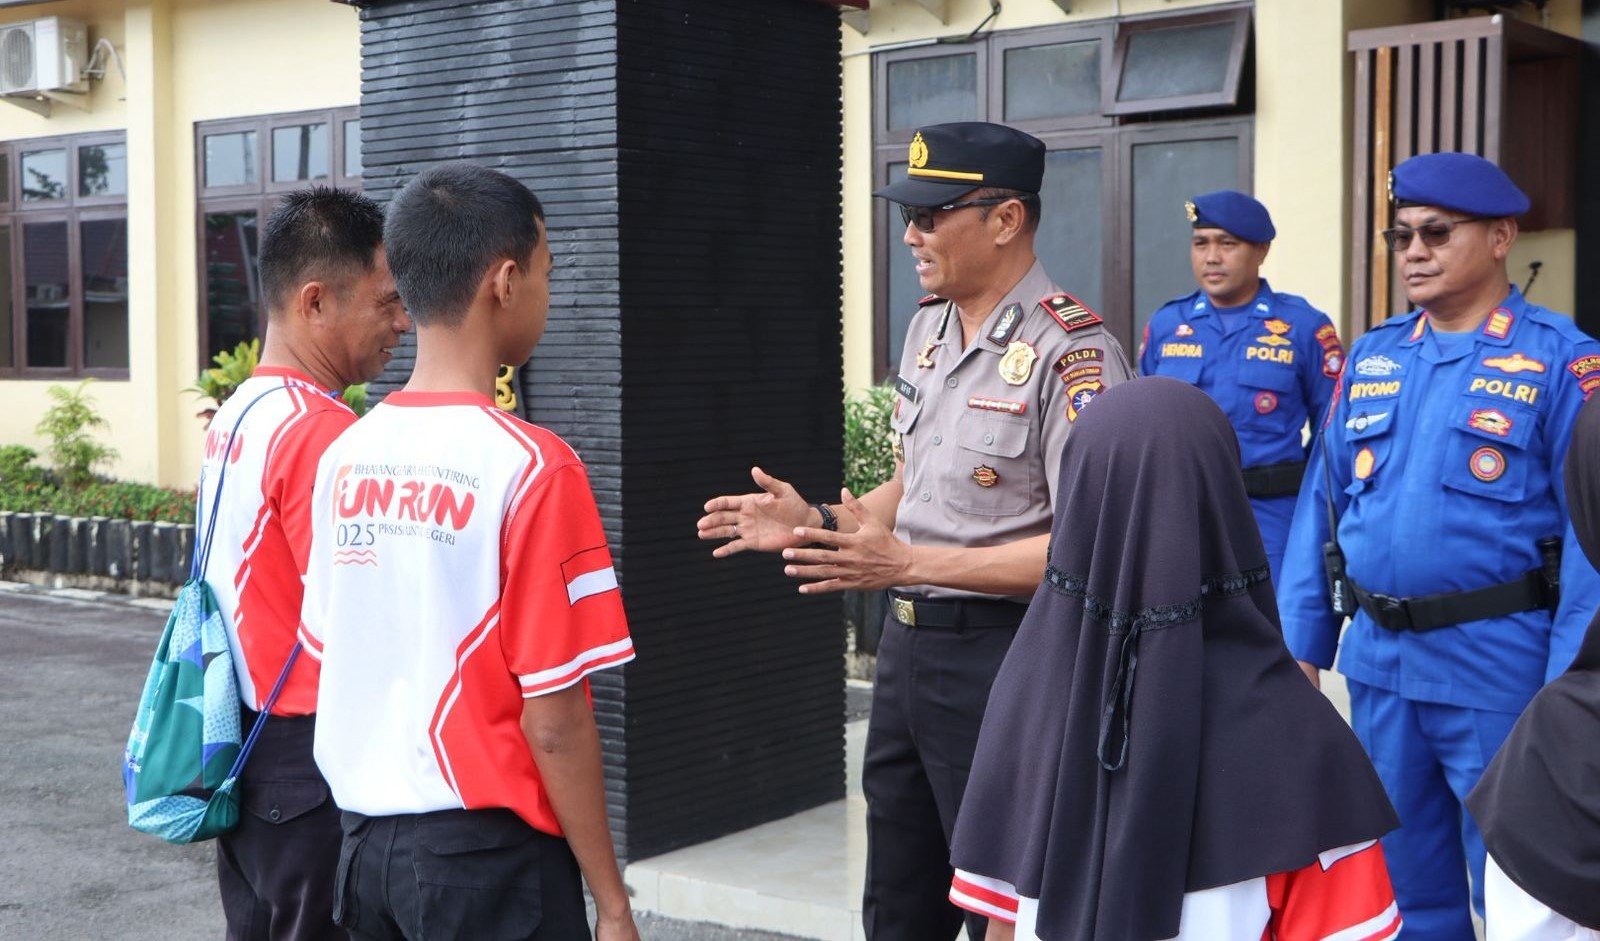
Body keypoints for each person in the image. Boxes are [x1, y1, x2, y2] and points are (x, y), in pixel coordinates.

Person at [696, 121, 1133, 941]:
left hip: (1007, 659)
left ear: (1005, 220)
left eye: (931, 216)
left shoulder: (1072, 352)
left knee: (1004, 903)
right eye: (909, 214)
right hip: (908, 653)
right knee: (899, 899)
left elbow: (1088, 550)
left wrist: (905, 560)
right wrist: (819, 521)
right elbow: (918, 483)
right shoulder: (928, 327)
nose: (910, 235)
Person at [298, 162, 639, 941]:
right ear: (506, 282)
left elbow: (327, 650)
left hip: (363, 856)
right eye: (547, 271)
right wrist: (612, 901)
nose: (548, 292)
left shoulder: (346, 456)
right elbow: (555, 719)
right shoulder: (534, 467)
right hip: (488, 866)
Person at [947, 377, 1400, 941]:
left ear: (1080, 498)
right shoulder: (1302, 739)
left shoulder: (1027, 697)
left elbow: (1001, 925)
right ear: (1224, 498)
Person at [1277, 151, 1600, 940]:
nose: (1414, 251)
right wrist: (1300, 647)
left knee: (1520, 889)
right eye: (1402, 235)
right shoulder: (1376, 355)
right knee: (1399, 888)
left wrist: (1569, 683)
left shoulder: (1562, 360)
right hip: (1381, 668)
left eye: (1436, 232)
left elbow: (1591, 542)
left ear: (1501, 237)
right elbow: (1324, 505)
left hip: (1501, 670)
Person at [195, 186, 407, 941]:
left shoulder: (238, 412)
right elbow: (358, 617)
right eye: (386, 301)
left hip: (243, 738)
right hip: (306, 753)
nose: (403, 323)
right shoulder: (323, 432)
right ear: (315, 301)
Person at [1139, 191, 1343, 583]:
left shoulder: (1303, 326)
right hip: (1182, 515)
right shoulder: (1167, 325)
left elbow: (1331, 432)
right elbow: (1146, 423)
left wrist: (1315, 513)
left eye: (1227, 244)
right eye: (1201, 243)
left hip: (1271, 517)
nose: (1211, 257)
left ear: (1261, 250)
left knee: (1271, 617)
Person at [1467, 394, 1600, 941]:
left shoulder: (1567, 744)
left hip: (1499, 657)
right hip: (1386, 656)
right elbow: (1327, 496)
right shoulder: (1377, 359)